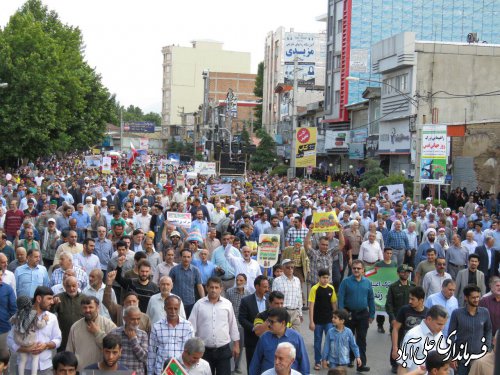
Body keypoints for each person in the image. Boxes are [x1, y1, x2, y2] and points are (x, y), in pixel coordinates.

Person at [188, 277, 240, 374]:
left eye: (216, 287)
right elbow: (191, 328)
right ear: (206, 288)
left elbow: (233, 325)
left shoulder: (227, 304)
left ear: (221, 289)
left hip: (223, 350)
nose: (213, 290)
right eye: (211, 287)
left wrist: (236, 345)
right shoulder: (199, 304)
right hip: (204, 351)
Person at [7, 286, 62, 374]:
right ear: (39, 298)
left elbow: (58, 339)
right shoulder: (21, 315)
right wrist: (24, 349)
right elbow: (10, 339)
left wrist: (46, 345)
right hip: (25, 368)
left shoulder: (52, 318)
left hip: (46, 368)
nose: (52, 302)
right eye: (49, 299)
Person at [337, 259, 374, 372]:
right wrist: (342, 314)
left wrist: (372, 314)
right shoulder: (346, 282)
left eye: (359, 268)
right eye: (354, 268)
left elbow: (371, 299)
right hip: (349, 314)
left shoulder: (367, 282)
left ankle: (361, 364)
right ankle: (347, 360)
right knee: (347, 338)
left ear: (363, 270)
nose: (356, 270)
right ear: (352, 269)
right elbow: (341, 298)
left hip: (363, 314)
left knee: (361, 339)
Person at [249, 307, 310, 374]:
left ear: (283, 323)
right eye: (269, 321)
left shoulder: (296, 338)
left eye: (272, 322)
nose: (269, 325)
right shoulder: (264, 338)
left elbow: (304, 363)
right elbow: (256, 362)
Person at [448, 284, 492, 375]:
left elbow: (488, 330)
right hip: (461, 359)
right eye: (473, 297)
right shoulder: (457, 313)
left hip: (479, 358)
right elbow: (451, 336)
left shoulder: (485, 312)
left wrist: (487, 348)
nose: (476, 300)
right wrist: (452, 356)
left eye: (478, 297)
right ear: (466, 298)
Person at [65, 295, 117, 370]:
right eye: (84, 308)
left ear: (97, 308)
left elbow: (114, 349)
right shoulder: (75, 327)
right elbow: (69, 351)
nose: (87, 310)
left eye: (90, 307)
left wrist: (98, 333)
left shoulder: (109, 325)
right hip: (82, 370)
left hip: (102, 370)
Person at [147, 295, 194, 375]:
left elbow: (191, 351)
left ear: (179, 309)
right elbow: (152, 352)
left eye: (176, 308)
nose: (173, 311)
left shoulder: (188, 326)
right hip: (161, 370)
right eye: (170, 308)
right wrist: (150, 372)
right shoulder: (157, 326)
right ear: (165, 308)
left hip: (180, 371)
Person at [396, 305, 449, 373]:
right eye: (439, 324)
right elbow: (402, 367)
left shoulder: (440, 335)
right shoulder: (413, 336)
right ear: (429, 319)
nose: (442, 328)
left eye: (444, 324)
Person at [390, 286, 428, 374]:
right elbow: (395, 328)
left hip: (420, 352)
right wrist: (395, 348)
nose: (410, 301)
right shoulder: (404, 310)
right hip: (405, 349)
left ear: (421, 300)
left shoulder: (427, 313)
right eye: (409, 298)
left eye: (413, 299)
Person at [9, 295, 50, 375]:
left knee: (22, 360)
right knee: (35, 358)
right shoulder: (32, 314)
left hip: (19, 341)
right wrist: (44, 320)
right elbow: (39, 325)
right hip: (30, 341)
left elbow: (12, 321)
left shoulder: (17, 314)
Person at [238, 275, 270, 372]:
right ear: (257, 287)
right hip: (252, 340)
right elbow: (242, 319)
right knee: (252, 366)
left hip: (268, 339)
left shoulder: (270, 300)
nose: (267, 289)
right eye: (264, 287)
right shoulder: (246, 301)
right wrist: (254, 328)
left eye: (268, 287)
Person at [308, 268, 337, 371]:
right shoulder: (314, 289)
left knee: (330, 340)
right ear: (319, 278)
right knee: (317, 342)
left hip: (329, 320)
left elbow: (333, 304)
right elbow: (311, 306)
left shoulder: (331, 288)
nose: (325, 280)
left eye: (327, 278)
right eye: (323, 277)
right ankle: (317, 361)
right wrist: (311, 322)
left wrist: (336, 318)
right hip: (317, 321)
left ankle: (327, 359)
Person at [224, 273, 251, 374]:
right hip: (231, 323)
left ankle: (237, 366)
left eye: (241, 281)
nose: (238, 282)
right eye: (237, 280)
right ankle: (230, 368)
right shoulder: (230, 292)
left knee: (240, 347)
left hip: (243, 325)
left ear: (245, 282)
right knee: (231, 346)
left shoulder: (248, 293)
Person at [110, 306, 148, 374]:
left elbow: (144, 358)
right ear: (125, 319)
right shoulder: (114, 333)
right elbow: (110, 355)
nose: (136, 322)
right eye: (132, 319)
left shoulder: (143, 334)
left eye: (138, 319)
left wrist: (133, 340)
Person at [51, 276, 84, 351]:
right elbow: (49, 313)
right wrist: (53, 304)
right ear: (65, 287)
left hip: (80, 336)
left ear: (78, 285)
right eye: (68, 286)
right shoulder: (58, 297)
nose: (71, 289)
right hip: (64, 336)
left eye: (74, 286)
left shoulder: (84, 298)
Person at [169, 249, 205, 317]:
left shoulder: (195, 270)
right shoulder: (174, 270)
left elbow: (199, 286)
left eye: (188, 257)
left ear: (191, 258)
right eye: (184, 256)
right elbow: (169, 286)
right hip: (176, 302)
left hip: (190, 302)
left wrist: (203, 300)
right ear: (181, 257)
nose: (186, 259)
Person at [272, 258, 304, 330]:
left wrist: (300, 313)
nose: (290, 269)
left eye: (292, 267)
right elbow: (273, 298)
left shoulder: (297, 280)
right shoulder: (277, 281)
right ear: (283, 268)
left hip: (295, 312)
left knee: (296, 337)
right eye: (288, 267)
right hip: (283, 312)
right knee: (284, 336)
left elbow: (299, 296)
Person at [0, 268, 17, 362]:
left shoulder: (7, 289)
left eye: (1, 276)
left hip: (3, 329)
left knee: (4, 357)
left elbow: (13, 309)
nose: (0, 279)